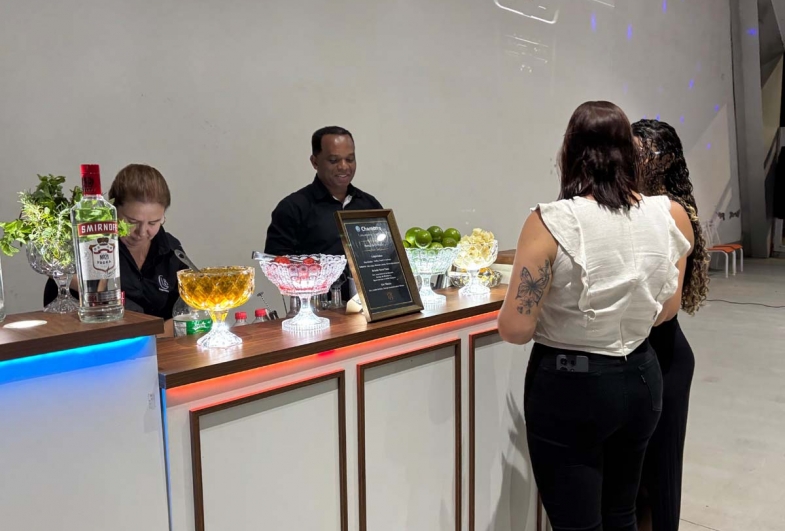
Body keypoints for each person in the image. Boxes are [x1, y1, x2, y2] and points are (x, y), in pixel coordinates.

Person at [497, 101, 694, 531]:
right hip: (641, 377)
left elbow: (515, 328)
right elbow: (667, 309)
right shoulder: (670, 215)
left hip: (570, 385)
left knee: (577, 523)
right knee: (622, 512)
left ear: (568, 152)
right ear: (630, 153)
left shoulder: (550, 221)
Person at [632, 119, 710, 531]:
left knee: (659, 477)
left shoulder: (671, 211)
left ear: (661, 160)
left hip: (665, 357)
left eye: (637, 153)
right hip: (643, 356)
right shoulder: (634, 205)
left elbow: (668, 305)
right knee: (636, 480)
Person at [45, 164, 187, 334]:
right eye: (132, 222)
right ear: (113, 211)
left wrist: (156, 336)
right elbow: (57, 278)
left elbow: (189, 310)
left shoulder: (170, 250)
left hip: (159, 345)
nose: (142, 232)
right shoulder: (90, 248)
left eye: (153, 223)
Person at [264, 126, 383, 257]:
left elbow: (387, 256)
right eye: (334, 160)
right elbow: (277, 262)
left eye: (350, 159)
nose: (344, 166)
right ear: (315, 162)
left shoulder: (370, 205)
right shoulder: (293, 208)